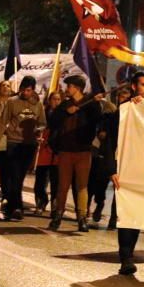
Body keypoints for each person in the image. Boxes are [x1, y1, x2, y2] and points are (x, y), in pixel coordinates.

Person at [48, 75, 104, 232]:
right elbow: (52, 122)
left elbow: (98, 119)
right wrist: (66, 112)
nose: (67, 89)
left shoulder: (91, 104)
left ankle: (82, 218)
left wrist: (96, 102)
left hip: (83, 151)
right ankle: (58, 215)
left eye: (70, 86)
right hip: (65, 150)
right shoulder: (64, 105)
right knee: (63, 186)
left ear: (78, 88)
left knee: (82, 186)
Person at [114, 70, 144, 275]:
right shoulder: (124, 110)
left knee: (137, 214)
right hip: (126, 170)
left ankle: (129, 252)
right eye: (143, 85)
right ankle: (126, 256)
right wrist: (112, 170)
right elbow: (110, 141)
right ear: (133, 87)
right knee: (127, 213)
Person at [0, 76, 45, 221]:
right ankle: (17, 207)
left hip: (29, 144)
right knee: (15, 175)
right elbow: (2, 122)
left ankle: (11, 205)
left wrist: (37, 129)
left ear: (33, 90)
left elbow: (43, 122)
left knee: (19, 176)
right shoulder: (12, 102)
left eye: (28, 90)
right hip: (13, 142)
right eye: (23, 89)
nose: (25, 93)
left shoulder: (38, 105)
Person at [92, 86, 131, 229]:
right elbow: (103, 127)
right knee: (100, 184)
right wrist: (102, 132)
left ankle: (114, 218)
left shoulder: (132, 117)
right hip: (108, 154)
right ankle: (99, 202)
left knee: (118, 188)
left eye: (127, 98)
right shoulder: (111, 115)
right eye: (122, 97)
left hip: (123, 156)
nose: (124, 100)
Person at [34, 90, 63, 216]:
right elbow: (37, 126)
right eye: (53, 99)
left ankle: (54, 206)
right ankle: (42, 200)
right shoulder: (44, 113)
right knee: (40, 180)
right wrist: (37, 134)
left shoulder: (64, 114)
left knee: (55, 180)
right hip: (44, 149)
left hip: (56, 150)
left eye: (58, 99)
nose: (55, 102)